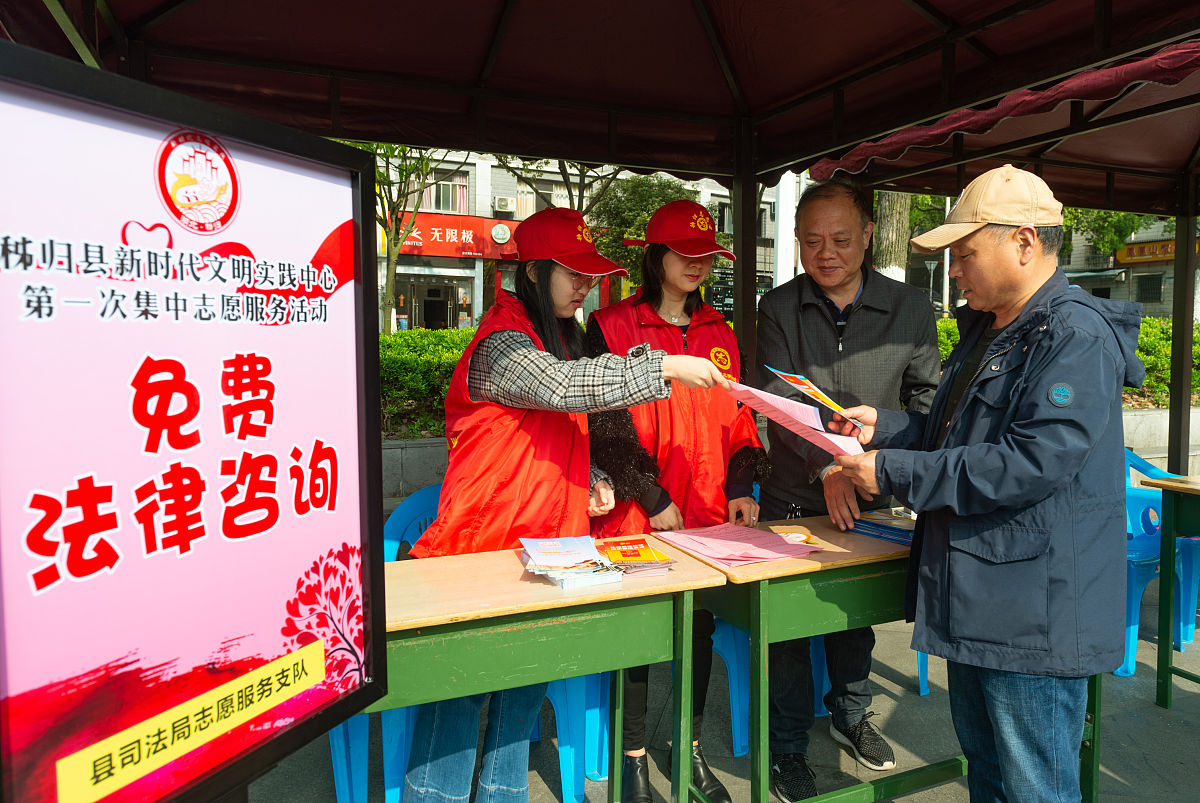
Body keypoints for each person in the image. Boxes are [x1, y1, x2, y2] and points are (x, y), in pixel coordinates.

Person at [831, 164, 1144, 802]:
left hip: (1034, 617)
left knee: (1035, 788)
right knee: (990, 776)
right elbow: (958, 432)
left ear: (1024, 243)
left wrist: (890, 471)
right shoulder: (991, 327)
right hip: (981, 600)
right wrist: (888, 428)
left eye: (965, 254)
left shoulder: (1073, 335)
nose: (954, 271)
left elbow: (1029, 461)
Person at [404, 206, 731, 803]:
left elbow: (559, 430)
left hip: (548, 554)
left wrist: (596, 475)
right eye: (572, 272)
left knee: (520, 704)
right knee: (457, 709)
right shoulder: (502, 344)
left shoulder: (559, 337)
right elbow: (562, 388)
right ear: (532, 272)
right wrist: (663, 364)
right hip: (479, 553)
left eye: (589, 274)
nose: (584, 285)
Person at [755, 180, 940, 801]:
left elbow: (927, 403)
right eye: (811, 241)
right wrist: (827, 465)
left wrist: (871, 462)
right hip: (793, 491)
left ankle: (851, 715)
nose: (826, 253)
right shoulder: (778, 307)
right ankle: (786, 747)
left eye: (840, 238)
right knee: (785, 629)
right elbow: (774, 400)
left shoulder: (910, 308)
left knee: (853, 621)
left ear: (868, 234)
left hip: (871, 492)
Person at [587, 199, 769, 803]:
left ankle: (687, 748)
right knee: (639, 638)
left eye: (707, 256)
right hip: (638, 512)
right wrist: (652, 494)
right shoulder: (611, 326)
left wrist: (740, 487)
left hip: (707, 515)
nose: (697, 265)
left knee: (698, 633)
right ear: (655, 255)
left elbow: (739, 417)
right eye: (684, 254)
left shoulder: (720, 331)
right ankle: (633, 758)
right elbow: (602, 424)